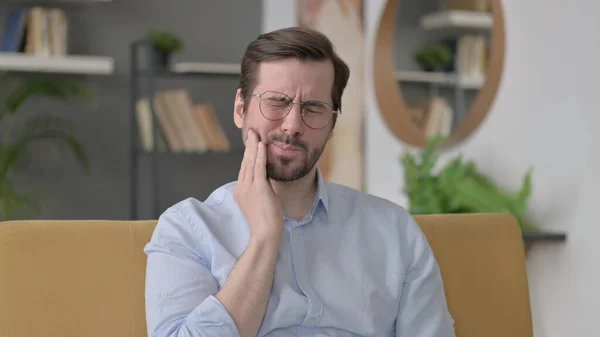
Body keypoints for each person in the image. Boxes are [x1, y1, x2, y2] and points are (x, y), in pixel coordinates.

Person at [144, 27, 455, 337]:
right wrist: (266, 238)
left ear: (331, 125)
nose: (292, 126)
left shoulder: (394, 230)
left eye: (313, 109)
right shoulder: (187, 229)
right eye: (277, 102)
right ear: (241, 109)